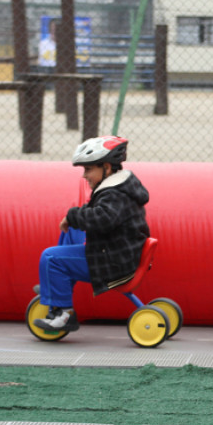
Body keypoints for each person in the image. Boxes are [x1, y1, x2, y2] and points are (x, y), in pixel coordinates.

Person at [34, 136, 150, 332]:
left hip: (115, 264)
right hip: (117, 252)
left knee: (50, 257)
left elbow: (102, 218)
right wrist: (74, 219)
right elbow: (99, 212)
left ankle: (64, 314)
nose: (84, 176)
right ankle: (57, 287)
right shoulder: (117, 187)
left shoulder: (115, 194)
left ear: (106, 167)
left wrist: (73, 215)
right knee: (71, 233)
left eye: (88, 170)